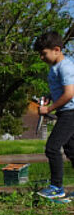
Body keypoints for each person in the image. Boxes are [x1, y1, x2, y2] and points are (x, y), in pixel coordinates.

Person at [33, 31, 74, 199]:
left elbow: (69, 93)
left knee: (52, 148)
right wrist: (49, 96)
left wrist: (49, 109)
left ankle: (57, 187)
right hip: (66, 112)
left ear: (56, 49)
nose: (41, 58)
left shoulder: (65, 67)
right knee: (72, 151)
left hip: (70, 113)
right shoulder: (55, 68)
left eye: (44, 54)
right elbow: (60, 91)